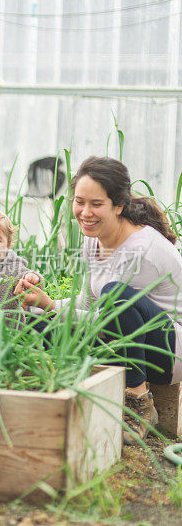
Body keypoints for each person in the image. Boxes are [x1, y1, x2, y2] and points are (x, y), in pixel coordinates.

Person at [15, 156, 182, 443]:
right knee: (33, 326)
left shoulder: (141, 251)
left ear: (118, 205)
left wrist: (51, 307)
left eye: (96, 204)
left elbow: (112, 318)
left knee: (115, 295)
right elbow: (89, 305)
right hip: (126, 341)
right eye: (79, 202)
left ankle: (140, 402)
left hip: (169, 351)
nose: (85, 212)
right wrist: (45, 303)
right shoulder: (93, 240)